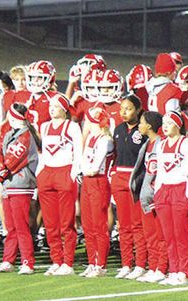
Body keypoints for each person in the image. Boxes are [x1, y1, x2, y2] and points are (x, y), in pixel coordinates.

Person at [0, 104, 41, 275]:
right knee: (11, 227)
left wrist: (0, 173)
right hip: (8, 184)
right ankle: (8, 260)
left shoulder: (26, 136)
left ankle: (27, 261)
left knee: (21, 226)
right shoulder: (10, 134)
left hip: (20, 184)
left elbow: (13, 160)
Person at [36, 96, 82, 276]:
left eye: (56, 106)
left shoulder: (72, 127)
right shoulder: (44, 126)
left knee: (66, 222)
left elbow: (78, 152)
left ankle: (68, 262)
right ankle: (56, 260)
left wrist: (73, 173)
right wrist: (40, 172)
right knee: (50, 223)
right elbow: (43, 153)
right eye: (50, 106)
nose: (52, 109)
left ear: (64, 109)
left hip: (65, 172)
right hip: (47, 173)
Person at [153, 111, 188, 286]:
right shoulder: (161, 144)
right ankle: (173, 270)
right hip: (164, 191)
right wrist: (158, 192)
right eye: (163, 123)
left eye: (169, 123)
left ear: (178, 125)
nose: (165, 127)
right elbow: (159, 171)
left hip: (180, 189)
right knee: (168, 234)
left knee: (181, 234)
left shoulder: (185, 144)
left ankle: (184, 272)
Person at [110, 95, 150, 279]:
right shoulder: (118, 129)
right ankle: (126, 263)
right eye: (122, 109)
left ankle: (141, 264)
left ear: (138, 109)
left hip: (135, 180)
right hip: (119, 178)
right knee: (123, 225)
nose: (124, 112)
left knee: (137, 225)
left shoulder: (143, 130)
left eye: (128, 109)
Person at [76, 107, 115, 277]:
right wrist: (82, 170)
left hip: (98, 181)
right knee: (87, 224)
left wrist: (83, 170)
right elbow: (84, 162)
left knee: (99, 225)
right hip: (87, 181)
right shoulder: (91, 138)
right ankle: (92, 261)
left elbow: (95, 167)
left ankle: (101, 264)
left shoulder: (105, 140)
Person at [130, 111, 169, 284]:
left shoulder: (160, 143)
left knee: (160, 234)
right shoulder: (147, 144)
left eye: (141, 122)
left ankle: (162, 267)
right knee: (150, 234)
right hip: (145, 194)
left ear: (150, 126)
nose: (139, 125)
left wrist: (152, 190)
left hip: (155, 194)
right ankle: (153, 266)